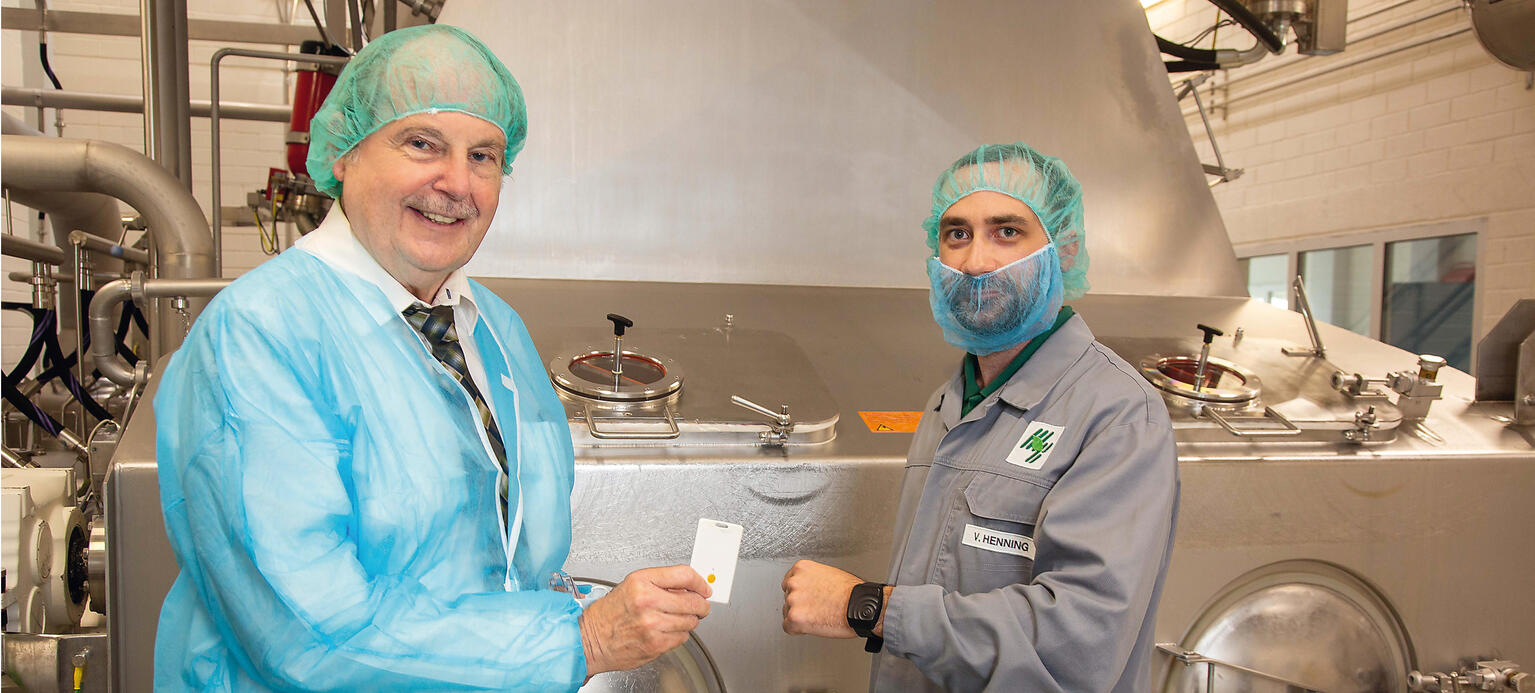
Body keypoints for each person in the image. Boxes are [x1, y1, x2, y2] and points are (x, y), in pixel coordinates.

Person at [154, 25, 709, 691]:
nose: (455, 183)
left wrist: (590, 614)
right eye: (421, 144)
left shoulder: (495, 329)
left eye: (483, 156)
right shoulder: (260, 334)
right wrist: (578, 639)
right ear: (345, 154)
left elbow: (508, 560)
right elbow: (308, 635)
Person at [781, 142, 1179, 692]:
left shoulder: (1117, 414)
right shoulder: (950, 402)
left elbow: (1077, 646)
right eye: (957, 234)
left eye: (1007, 232)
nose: (975, 263)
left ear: (1063, 251)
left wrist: (868, 607)